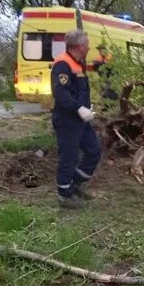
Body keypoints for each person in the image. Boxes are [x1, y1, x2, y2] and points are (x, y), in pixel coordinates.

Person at [51, 29, 101, 209]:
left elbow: (78, 90)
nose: (89, 47)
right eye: (87, 44)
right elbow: (60, 92)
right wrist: (78, 108)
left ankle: (74, 184)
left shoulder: (78, 63)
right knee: (69, 157)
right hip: (67, 120)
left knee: (94, 151)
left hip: (81, 119)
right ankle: (64, 195)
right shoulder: (63, 64)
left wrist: (86, 107)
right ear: (80, 46)